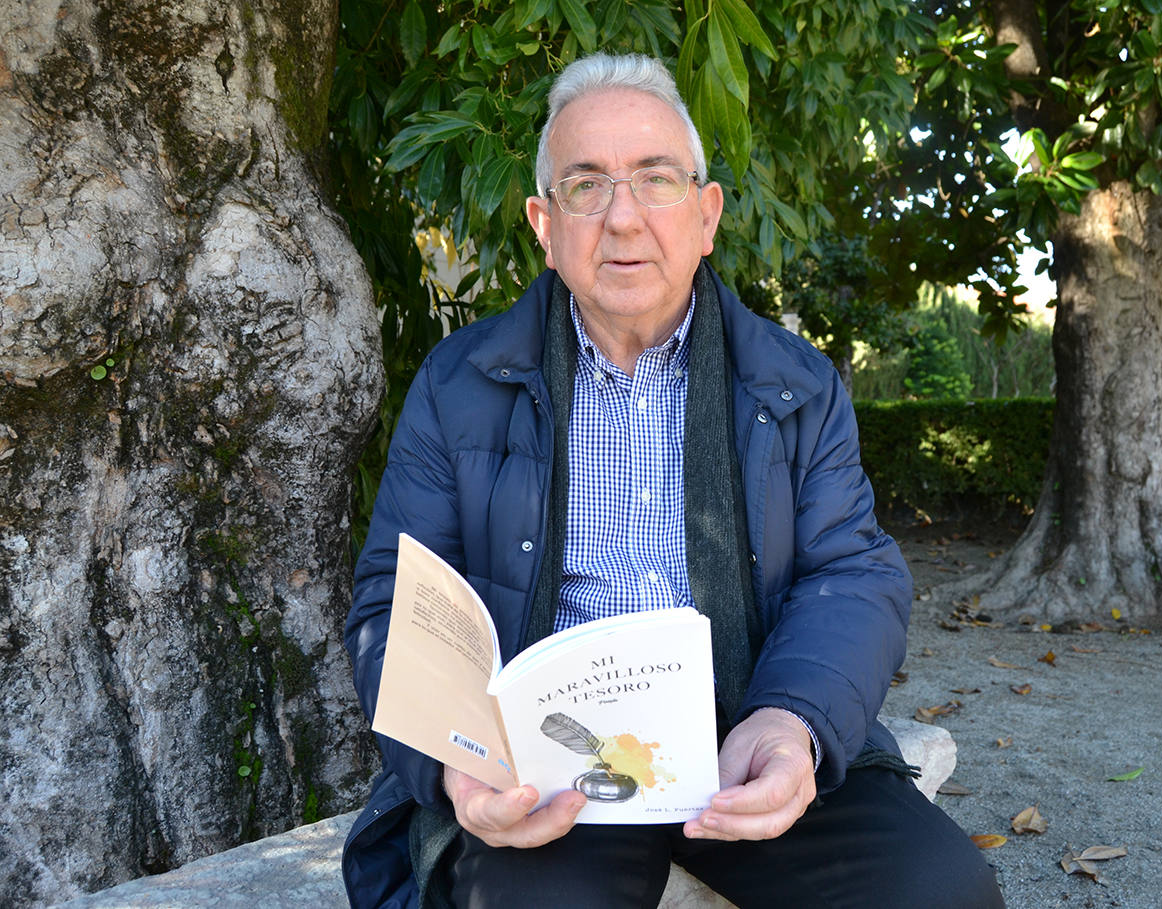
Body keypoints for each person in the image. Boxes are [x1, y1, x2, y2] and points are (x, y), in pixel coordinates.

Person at [342, 52, 1004, 909]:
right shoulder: (460, 381)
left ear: (706, 213)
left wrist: (792, 720)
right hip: (551, 763)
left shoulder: (794, 382)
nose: (622, 218)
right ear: (544, 224)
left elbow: (852, 572)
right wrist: (454, 762)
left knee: (942, 891)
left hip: (743, 729)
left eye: (655, 179)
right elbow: (395, 600)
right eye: (585, 185)